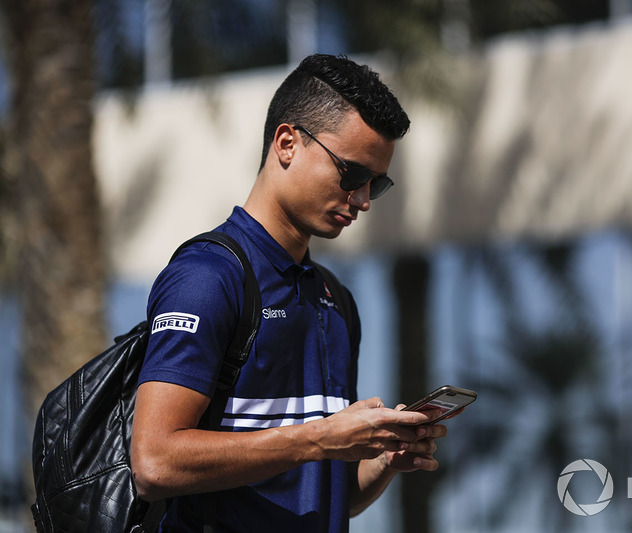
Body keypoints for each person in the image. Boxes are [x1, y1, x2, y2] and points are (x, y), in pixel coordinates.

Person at [130, 54, 450, 532]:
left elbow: (326, 495)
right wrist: (321, 438)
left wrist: (382, 460)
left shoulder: (336, 301)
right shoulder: (208, 276)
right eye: (352, 174)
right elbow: (154, 463)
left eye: (376, 184)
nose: (362, 199)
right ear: (286, 144)